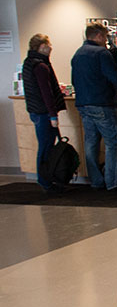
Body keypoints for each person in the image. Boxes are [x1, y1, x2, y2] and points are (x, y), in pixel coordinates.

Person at [72, 22, 117, 191]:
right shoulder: (101, 53)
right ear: (99, 36)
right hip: (102, 103)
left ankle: (96, 181)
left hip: (83, 104)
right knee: (112, 142)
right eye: (105, 36)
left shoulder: (78, 54)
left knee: (91, 143)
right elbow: (114, 76)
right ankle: (113, 181)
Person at [22, 34, 68, 194]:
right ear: (42, 46)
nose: (51, 48)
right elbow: (46, 93)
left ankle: (46, 179)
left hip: (36, 111)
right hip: (44, 113)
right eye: (49, 45)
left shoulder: (29, 63)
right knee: (46, 147)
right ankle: (45, 180)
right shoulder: (41, 66)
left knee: (45, 146)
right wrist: (53, 115)